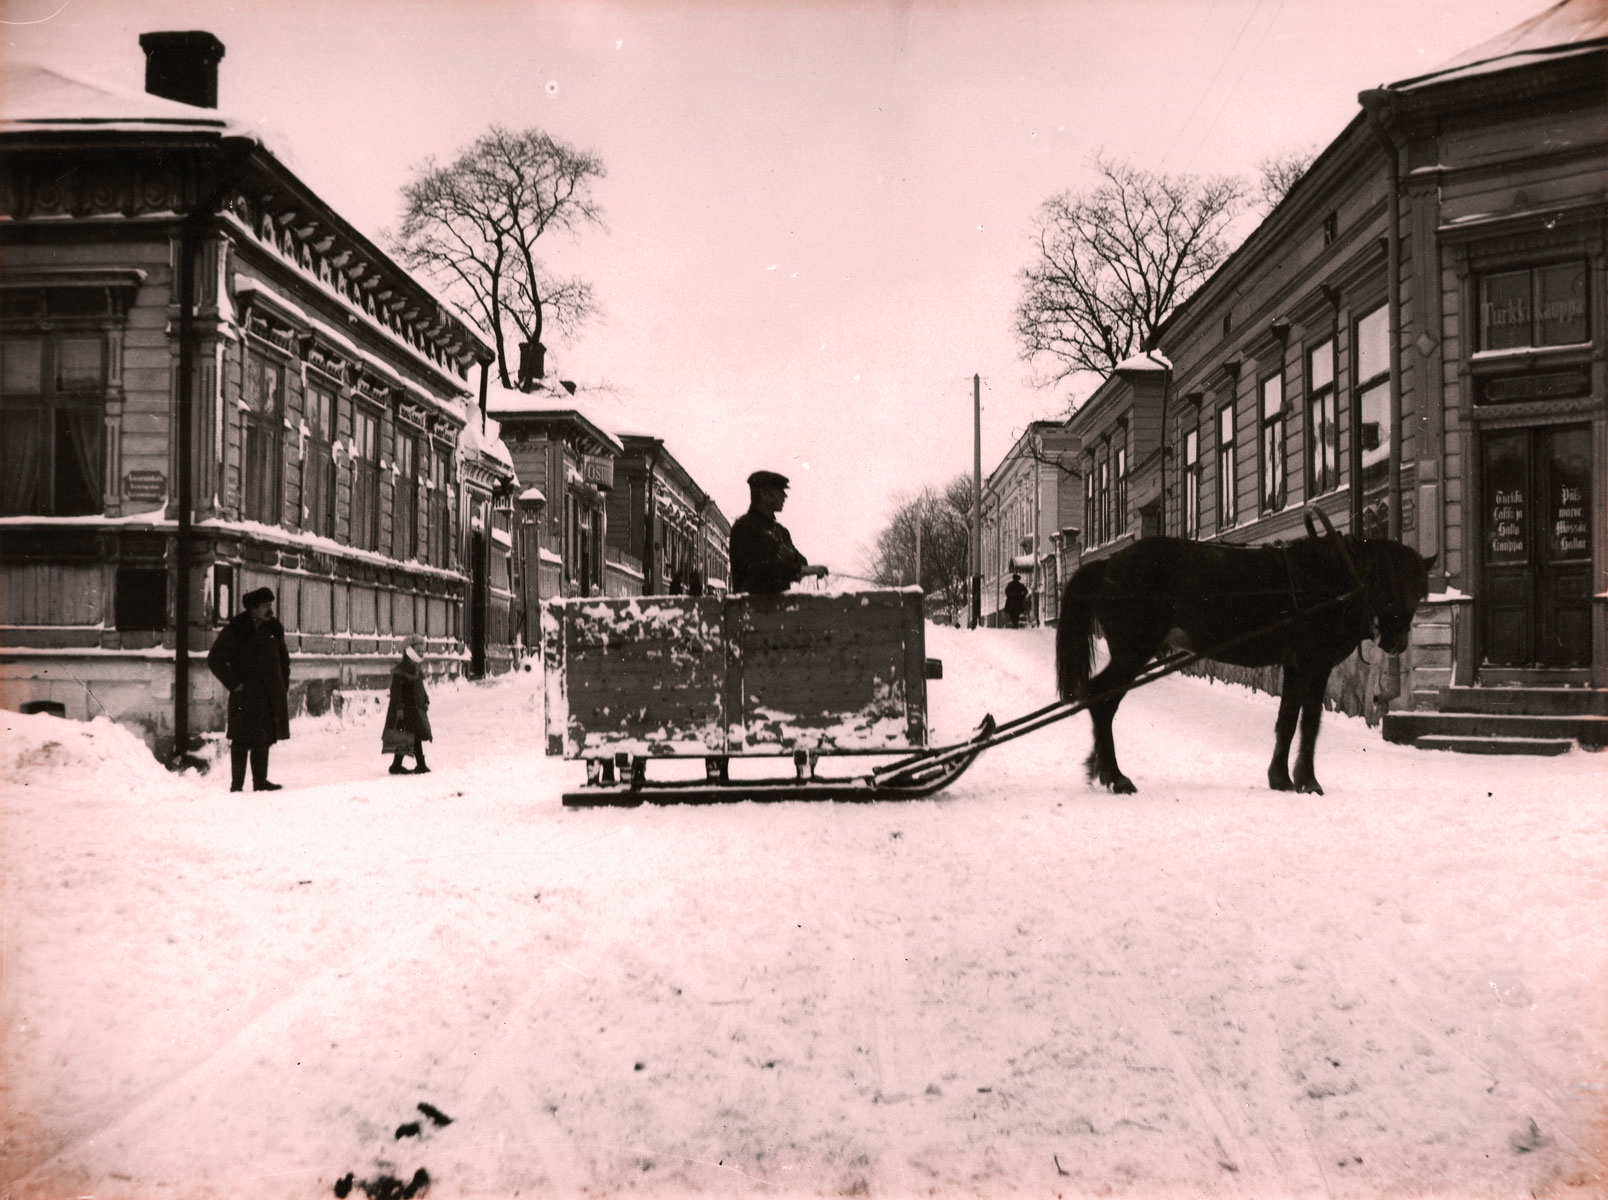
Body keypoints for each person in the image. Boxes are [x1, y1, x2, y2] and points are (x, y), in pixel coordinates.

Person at [206, 586, 290, 792]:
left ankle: (260, 781)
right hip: (244, 695)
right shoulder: (237, 629)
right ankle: (237, 785)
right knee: (241, 739)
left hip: (268, 694)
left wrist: (282, 685)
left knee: (264, 736)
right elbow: (215, 659)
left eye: (271, 605)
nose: (270, 610)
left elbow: (284, 661)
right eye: (266, 606)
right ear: (254, 608)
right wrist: (235, 684)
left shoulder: (273, 629)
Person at [728, 470, 829, 594]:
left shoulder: (780, 531)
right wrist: (795, 568)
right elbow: (754, 571)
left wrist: (792, 561)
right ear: (764, 494)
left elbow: (802, 562)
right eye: (780, 491)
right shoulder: (744, 527)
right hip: (750, 604)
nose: (785, 496)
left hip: (779, 603)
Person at [382, 634, 433, 775]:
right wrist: (399, 708)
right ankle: (418, 765)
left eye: (422, 651)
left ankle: (398, 766)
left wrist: (425, 700)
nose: (421, 653)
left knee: (410, 736)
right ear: (410, 651)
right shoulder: (401, 670)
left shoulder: (416, 668)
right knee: (408, 736)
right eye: (418, 651)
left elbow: (420, 688)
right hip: (405, 710)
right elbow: (396, 692)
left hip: (415, 709)